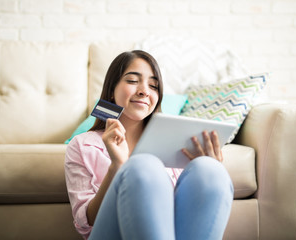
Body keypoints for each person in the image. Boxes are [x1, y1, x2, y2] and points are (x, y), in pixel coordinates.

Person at [64, 50, 234, 240]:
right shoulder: (82, 145)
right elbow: (85, 224)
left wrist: (211, 166)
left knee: (210, 169)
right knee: (143, 164)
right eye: (132, 81)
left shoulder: (176, 145)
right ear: (112, 90)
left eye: (153, 86)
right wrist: (117, 166)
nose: (144, 90)